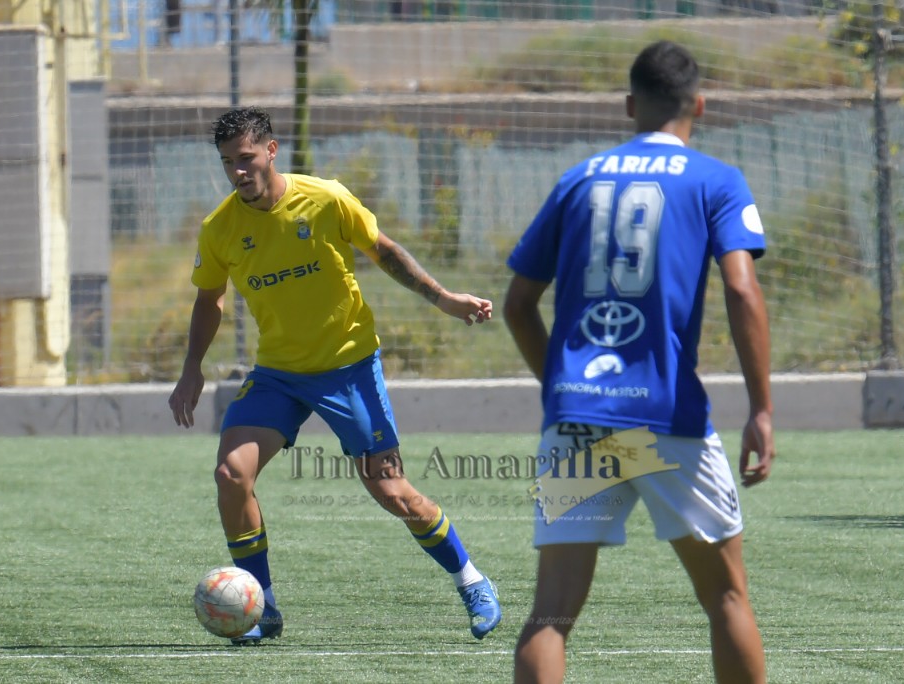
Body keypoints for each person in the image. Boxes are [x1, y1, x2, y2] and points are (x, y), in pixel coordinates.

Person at [168, 106, 501, 644]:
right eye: (228, 162)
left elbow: (383, 250)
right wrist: (191, 369)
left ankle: (472, 581)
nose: (238, 172)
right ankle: (262, 606)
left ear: (271, 150)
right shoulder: (220, 229)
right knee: (231, 474)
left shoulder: (325, 199)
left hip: (349, 368)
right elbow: (210, 300)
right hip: (278, 374)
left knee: (392, 491)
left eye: (246, 158)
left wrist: (443, 298)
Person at [503, 41, 774, 683]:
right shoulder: (716, 180)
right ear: (698, 106)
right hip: (666, 414)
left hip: (577, 417)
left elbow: (517, 305)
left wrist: (562, 388)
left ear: (630, 105)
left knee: (551, 613)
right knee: (726, 598)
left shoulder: (577, 180)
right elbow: (742, 289)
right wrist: (762, 409)